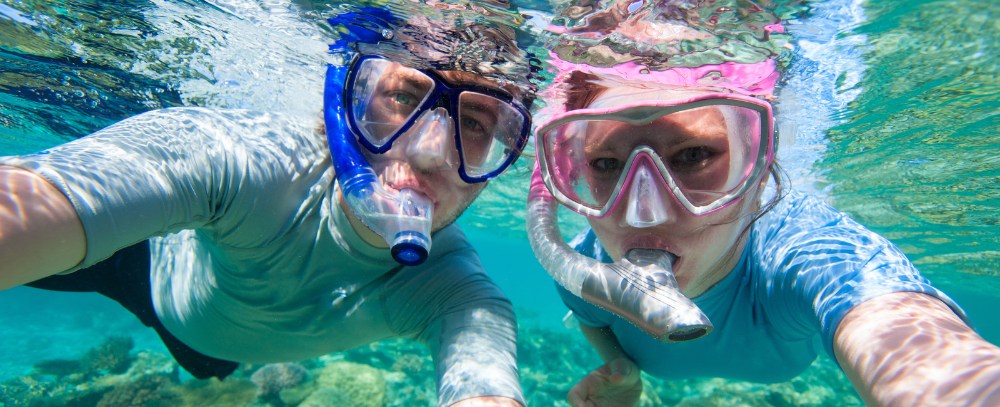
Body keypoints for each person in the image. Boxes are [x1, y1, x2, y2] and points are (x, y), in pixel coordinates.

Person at [0, 2, 535, 406]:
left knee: (211, 369)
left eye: (475, 123)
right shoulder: (240, 160)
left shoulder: (457, 292)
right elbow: (36, 200)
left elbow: (481, 379)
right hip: (136, 265)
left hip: (210, 348)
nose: (432, 154)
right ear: (346, 100)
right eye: (402, 97)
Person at [524, 1, 1000, 406]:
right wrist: (624, 373)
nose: (642, 213)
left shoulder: (809, 249)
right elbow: (593, 319)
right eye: (606, 164)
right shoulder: (583, 265)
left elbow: (913, 342)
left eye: (692, 156)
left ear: (759, 165)